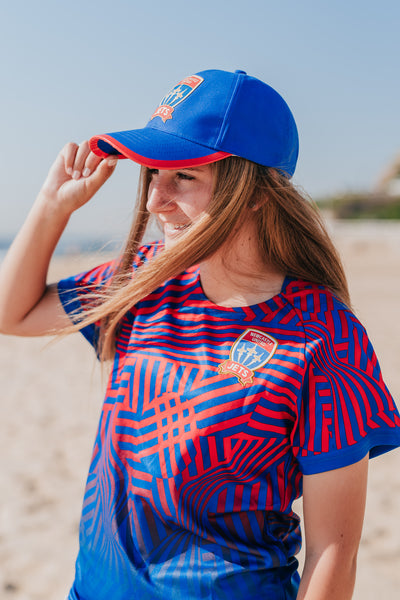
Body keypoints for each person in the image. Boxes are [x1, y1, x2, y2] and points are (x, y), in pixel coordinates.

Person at [0, 68, 399, 600]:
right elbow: (13, 314)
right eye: (153, 174)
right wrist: (53, 207)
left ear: (254, 192)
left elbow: (334, 553)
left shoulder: (324, 336)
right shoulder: (143, 279)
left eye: (184, 176)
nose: (154, 201)